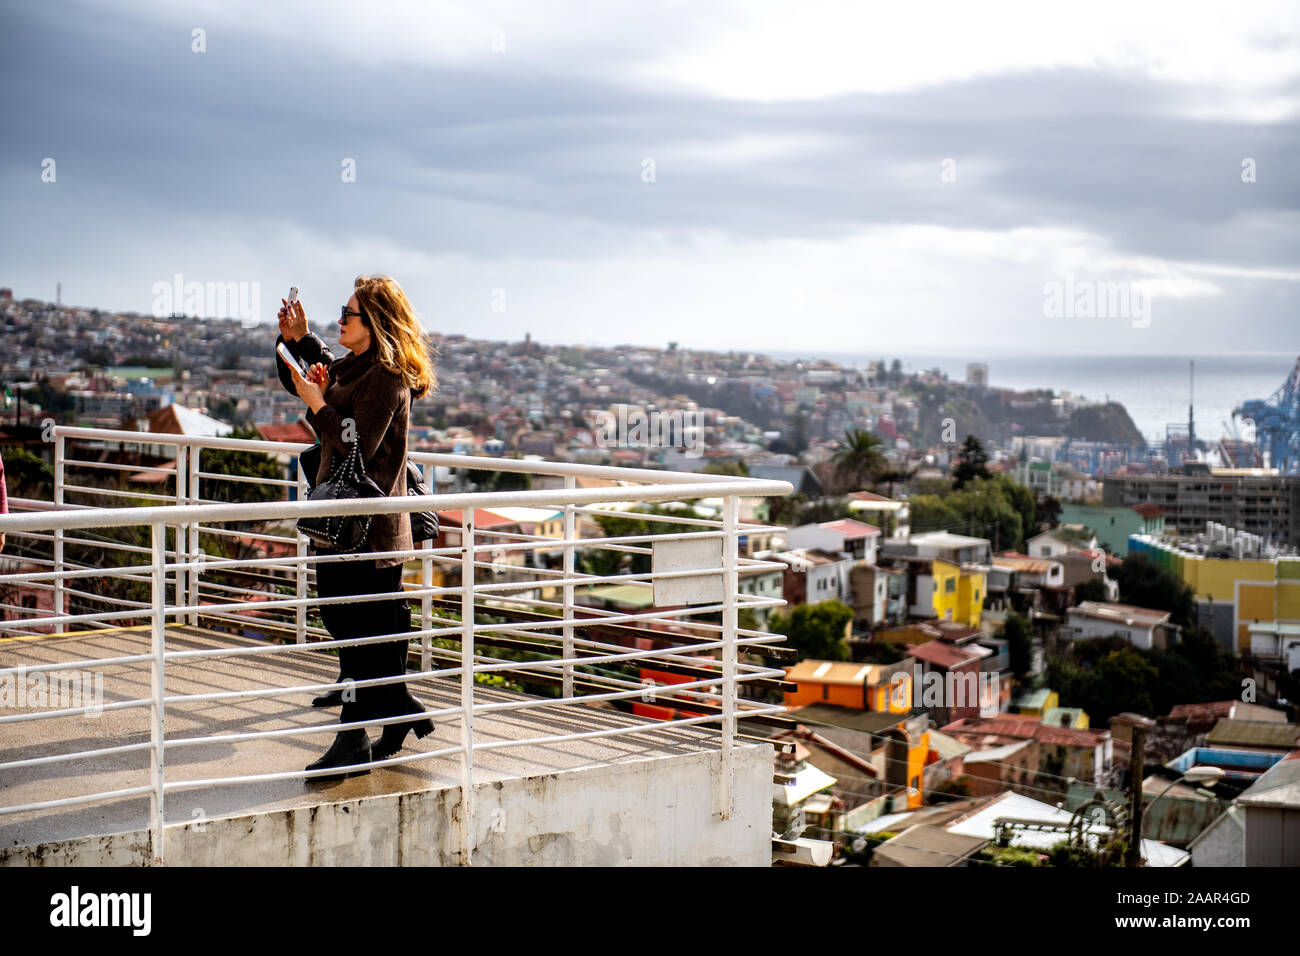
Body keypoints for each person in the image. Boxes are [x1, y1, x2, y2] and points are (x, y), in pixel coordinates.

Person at [275, 275, 438, 778]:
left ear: (375, 324)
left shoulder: (387, 378)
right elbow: (320, 375)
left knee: (361, 630)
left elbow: (357, 446)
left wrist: (319, 403)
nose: (340, 320)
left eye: (348, 315)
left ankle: (353, 741)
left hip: (369, 527)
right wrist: (298, 342)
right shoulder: (356, 365)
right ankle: (398, 705)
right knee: (347, 623)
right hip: (340, 521)